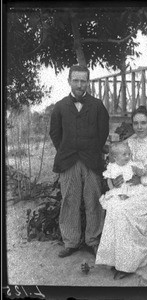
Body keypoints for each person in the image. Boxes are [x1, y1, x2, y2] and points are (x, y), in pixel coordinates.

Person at [95, 106, 147, 279]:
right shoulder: (130, 143)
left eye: (143, 123)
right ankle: (115, 259)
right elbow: (119, 167)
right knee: (114, 205)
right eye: (136, 123)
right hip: (133, 187)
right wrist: (116, 180)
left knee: (125, 209)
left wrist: (142, 180)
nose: (139, 127)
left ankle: (129, 263)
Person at [49, 65, 109, 258]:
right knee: (69, 201)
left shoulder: (97, 105)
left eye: (83, 81)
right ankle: (71, 242)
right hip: (68, 161)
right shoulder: (59, 107)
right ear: (69, 81)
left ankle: (93, 240)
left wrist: (91, 149)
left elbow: (103, 132)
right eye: (76, 80)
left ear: (87, 82)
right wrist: (67, 149)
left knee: (93, 200)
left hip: (91, 160)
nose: (79, 84)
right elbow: (55, 134)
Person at [99, 141, 147, 207]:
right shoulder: (112, 167)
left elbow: (140, 173)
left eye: (129, 154)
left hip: (130, 188)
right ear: (115, 157)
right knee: (114, 202)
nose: (127, 156)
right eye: (124, 154)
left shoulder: (131, 165)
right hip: (118, 189)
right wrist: (112, 189)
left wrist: (143, 171)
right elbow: (109, 180)